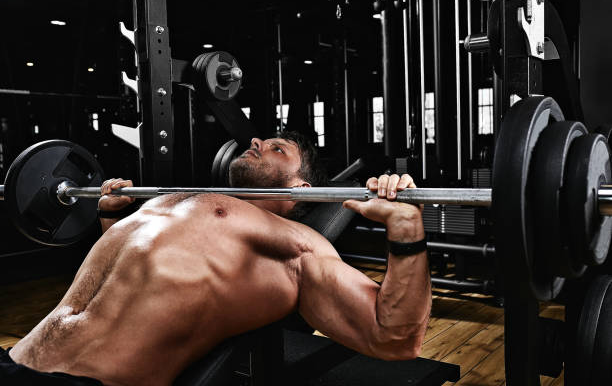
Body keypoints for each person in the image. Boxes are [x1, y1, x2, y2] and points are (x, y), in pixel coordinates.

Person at [2, 131, 431, 386]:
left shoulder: (297, 244)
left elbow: (394, 337)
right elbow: (128, 288)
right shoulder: (177, 200)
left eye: (277, 148)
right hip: (14, 359)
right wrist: (111, 220)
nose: (257, 141)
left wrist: (407, 228)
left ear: (300, 186)